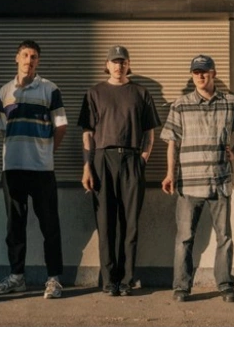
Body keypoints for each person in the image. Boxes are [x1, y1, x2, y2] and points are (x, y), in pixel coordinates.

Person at [160, 54, 234, 303]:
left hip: (219, 181)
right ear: (192, 76)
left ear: (214, 73)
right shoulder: (180, 105)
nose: (200, 76)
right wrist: (169, 173)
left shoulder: (231, 103)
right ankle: (181, 287)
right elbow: (172, 142)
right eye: (196, 72)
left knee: (224, 237)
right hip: (189, 183)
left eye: (204, 71)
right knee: (184, 238)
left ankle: (225, 285)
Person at [78, 45, 161, 296]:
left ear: (128, 64)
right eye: (114, 61)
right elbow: (87, 133)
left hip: (132, 159)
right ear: (107, 65)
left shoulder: (140, 93)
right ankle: (108, 280)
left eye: (123, 61)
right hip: (103, 159)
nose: (119, 66)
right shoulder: (95, 93)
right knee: (105, 223)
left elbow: (149, 132)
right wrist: (87, 166)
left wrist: (143, 158)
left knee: (130, 224)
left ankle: (126, 280)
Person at [0, 40, 68, 299]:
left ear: (38, 61)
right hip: (12, 168)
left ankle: (54, 279)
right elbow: (3, 129)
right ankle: (17, 277)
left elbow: (61, 126)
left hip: (41, 169)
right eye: (25, 55)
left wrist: (46, 152)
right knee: (15, 226)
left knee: (50, 225)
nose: (29, 60)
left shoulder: (50, 89)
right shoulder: (5, 91)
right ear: (17, 58)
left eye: (34, 56)